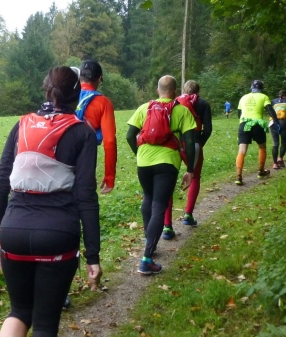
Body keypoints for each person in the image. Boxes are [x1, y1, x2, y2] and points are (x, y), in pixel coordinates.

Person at [0, 66, 101, 337]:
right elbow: (86, 196)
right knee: (45, 324)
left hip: (14, 230)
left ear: (46, 89)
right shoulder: (82, 133)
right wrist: (93, 255)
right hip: (57, 234)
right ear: (77, 95)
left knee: (18, 311)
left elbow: (1, 181)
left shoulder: (21, 124)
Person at [126, 75, 196, 274]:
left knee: (148, 199)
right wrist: (190, 170)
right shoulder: (182, 111)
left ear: (158, 90)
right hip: (167, 163)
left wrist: (139, 153)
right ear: (175, 92)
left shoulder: (144, 108)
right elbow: (190, 142)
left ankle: (150, 243)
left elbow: (130, 135)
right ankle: (146, 259)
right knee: (158, 205)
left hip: (144, 162)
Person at [161, 80, 212, 239]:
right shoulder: (203, 104)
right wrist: (200, 143)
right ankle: (188, 215)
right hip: (194, 143)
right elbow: (208, 129)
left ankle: (167, 226)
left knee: (169, 182)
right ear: (198, 91)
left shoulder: (176, 102)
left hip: (176, 144)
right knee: (195, 177)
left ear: (183, 90)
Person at [75, 59, 117, 194]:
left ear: (79, 77)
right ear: (99, 79)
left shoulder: (66, 96)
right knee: (86, 198)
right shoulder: (103, 103)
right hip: (86, 156)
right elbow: (109, 141)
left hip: (60, 156)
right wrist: (109, 176)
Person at [235, 79, 279, 185]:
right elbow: (270, 109)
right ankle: (261, 171)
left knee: (242, 150)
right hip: (257, 124)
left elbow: (239, 113)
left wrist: (243, 121)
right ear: (261, 88)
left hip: (244, 124)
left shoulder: (243, 97)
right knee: (262, 147)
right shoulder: (264, 97)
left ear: (251, 87)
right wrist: (276, 120)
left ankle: (239, 176)